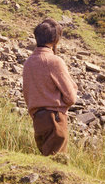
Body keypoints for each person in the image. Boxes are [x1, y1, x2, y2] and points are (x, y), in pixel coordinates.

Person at [21, 18, 78, 157]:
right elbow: (71, 98)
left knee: (46, 161)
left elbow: (27, 93)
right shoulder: (54, 61)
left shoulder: (28, 62)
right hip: (55, 119)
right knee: (57, 164)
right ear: (55, 40)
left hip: (38, 120)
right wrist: (59, 105)